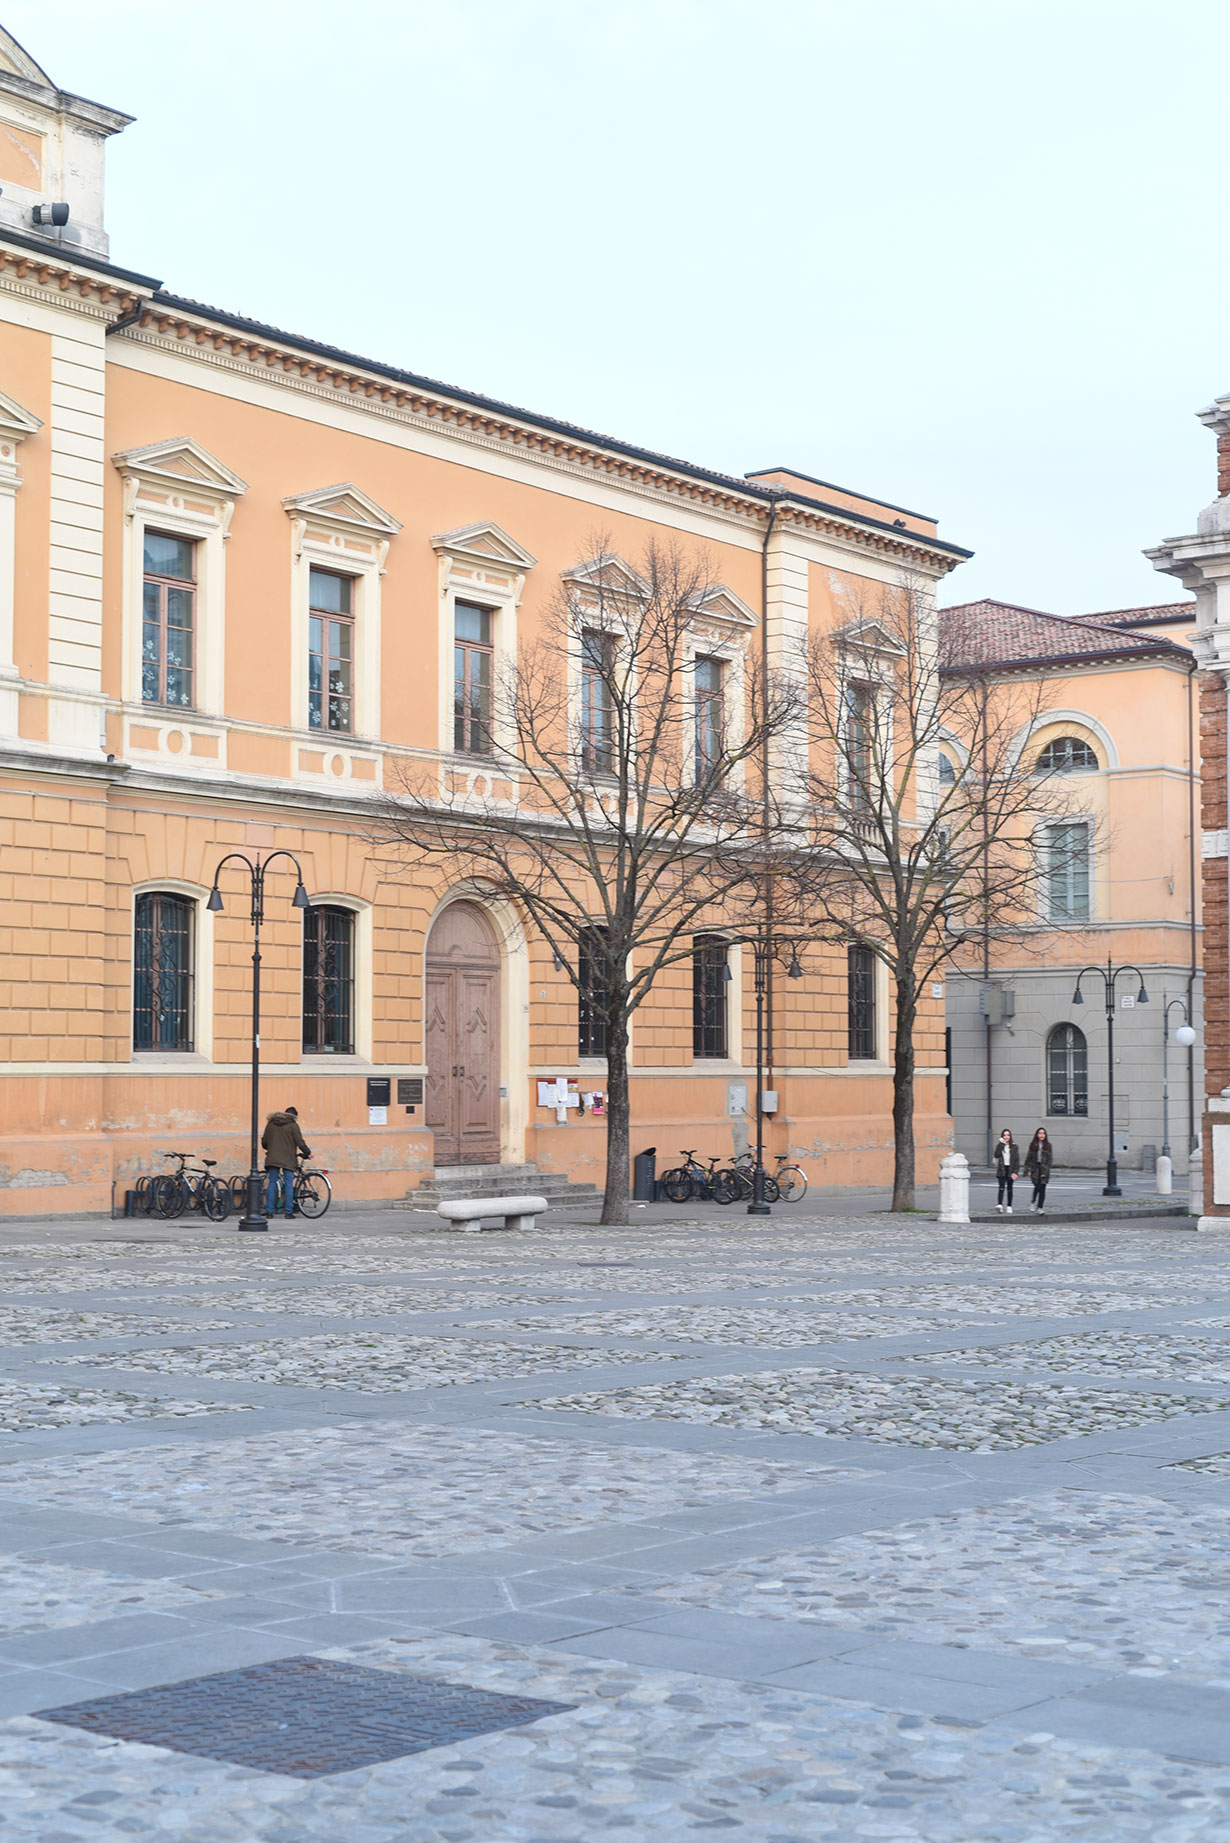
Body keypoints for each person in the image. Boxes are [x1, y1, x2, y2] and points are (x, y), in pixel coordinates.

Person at [261, 1105, 311, 1218]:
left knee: (272, 1183)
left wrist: (272, 1147)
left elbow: (264, 1143)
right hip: (288, 1159)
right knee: (288, 1184)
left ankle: (269, 1212)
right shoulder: (293, 1125)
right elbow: (300, 1142)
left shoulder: (271, 1124)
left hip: (272, 1158)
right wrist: (308, 1153)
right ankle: (288, 1212)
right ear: (294, 1116)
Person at [1024, 1126, 1053, 1213]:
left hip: (1044, 1168)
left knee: (1043, 1188)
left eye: (1043, 1133)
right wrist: (1026, 1170)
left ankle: (1040, 1207)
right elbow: (1028, 1158)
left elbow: (1049, 1159)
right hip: (1035, 1168)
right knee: (1037, 1186)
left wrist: (1045, 1171)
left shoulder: (1048, 1145)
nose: (1041, 1135)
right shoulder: (1033, 1145)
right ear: (1037, 1135)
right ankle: (1033, 1201)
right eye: (1040, 1133)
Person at [993, 1127, 1019, 1213]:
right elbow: (996, 1155)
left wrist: (1015, 1172)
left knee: (1010, 1188)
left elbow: (1016, 1161)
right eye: (1004, 1135)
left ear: (1010, 1136)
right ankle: (1000, 1204)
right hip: (1002, 1169)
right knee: (1001, 1187)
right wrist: (1001, 1144)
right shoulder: (1000, 1146)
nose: (1006, 1137)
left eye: (1008, 1135)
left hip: (1010, 1169)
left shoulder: (1014, 1147)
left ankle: (1009, 1205)